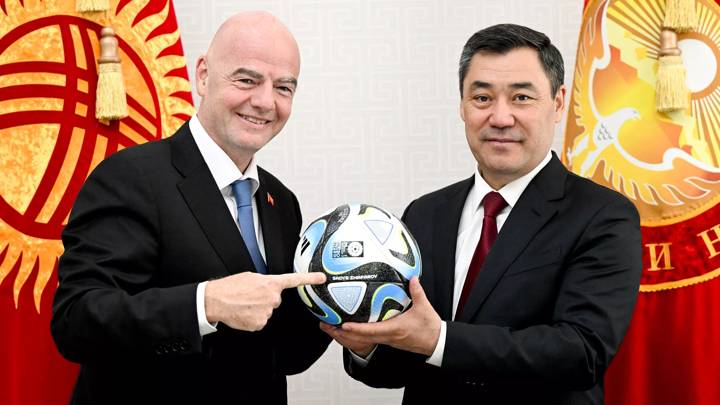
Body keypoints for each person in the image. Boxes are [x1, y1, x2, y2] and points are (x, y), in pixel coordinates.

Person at [321, 23, 642, 404]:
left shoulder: (603, 216)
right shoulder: (425, 213)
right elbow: (402, 361)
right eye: (482, 98)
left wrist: (439, 339)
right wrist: (366, 345)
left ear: (558, 103)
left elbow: (580, 352)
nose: (501, 117)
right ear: (462, 105)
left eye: (522, 98)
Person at [51, 11, 330, 405]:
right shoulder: (131, 176)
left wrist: (341, 308)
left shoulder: (281, 201)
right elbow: (77, 321)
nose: (266, 101)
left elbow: (281, 354)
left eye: (284, 87)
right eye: (247, 80)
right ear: (202, 75)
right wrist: (206, 303)